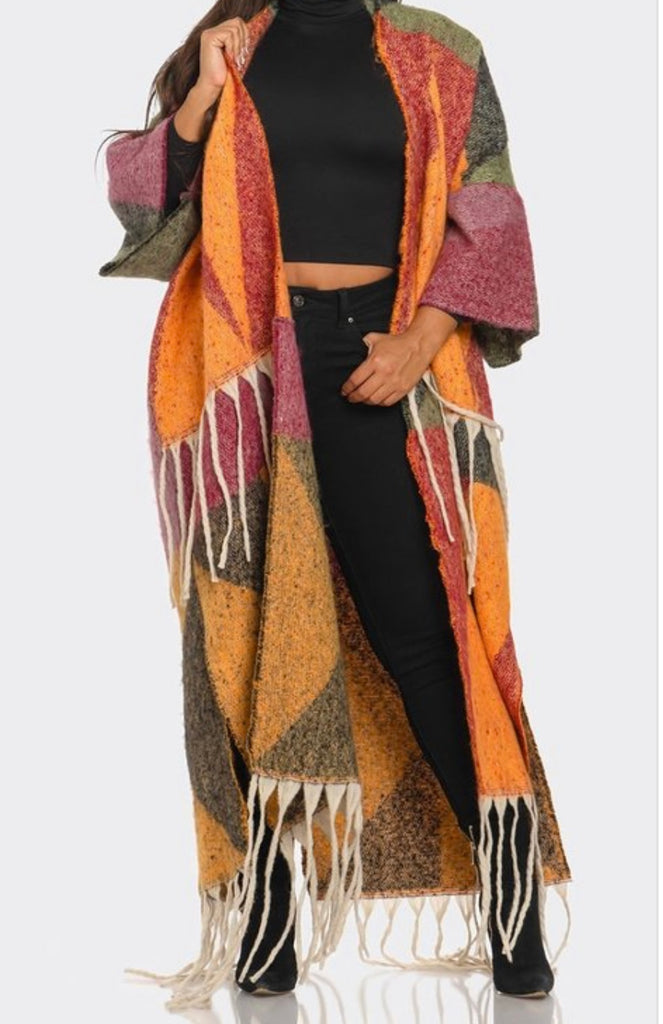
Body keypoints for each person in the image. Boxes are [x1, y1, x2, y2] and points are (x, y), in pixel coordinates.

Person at [100, 0, 569, 1007]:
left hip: (383, 358)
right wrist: (198, 103)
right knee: (261, 639)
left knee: (420, 636)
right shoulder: (232, 44)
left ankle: (512, 902)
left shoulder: (440, 52)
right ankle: (268, 917)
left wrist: (418, 344)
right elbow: (146, 213)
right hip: (250, 367)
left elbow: (490, 214)